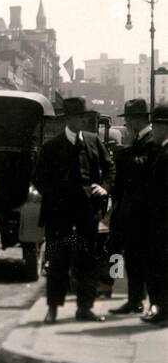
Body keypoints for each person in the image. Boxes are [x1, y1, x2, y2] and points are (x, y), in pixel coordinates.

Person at [33, 96, 114, 323]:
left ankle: (84, 308)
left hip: (87, 215)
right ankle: (53, 309)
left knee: (87, 261)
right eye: (77, 117)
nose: (81, 121)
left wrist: (103, 187)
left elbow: (110, 168)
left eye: (84, 117)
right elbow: (39, 179)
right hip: (60, 216)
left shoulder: (93, 142)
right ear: (67, 119)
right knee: (58, 262)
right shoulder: (51, 148)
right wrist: (61, 197)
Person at [108, 99, 156, 315]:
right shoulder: (139, 140)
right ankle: (135, 300)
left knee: (146, 260)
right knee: (134, 258)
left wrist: (124, 156)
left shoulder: (151, 141)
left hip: (145, 214)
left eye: (128, 119)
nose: (126, 123)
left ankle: (149, 302)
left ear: (138, 119)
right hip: (134, 212)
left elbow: (140, 170)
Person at [141, 103, 168, 326]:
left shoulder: (166, 155)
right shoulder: (163, 152)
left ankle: (164, 311)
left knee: (161, 267)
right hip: (159, 222)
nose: (154, 131)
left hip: (163, 224)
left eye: (156, 126)